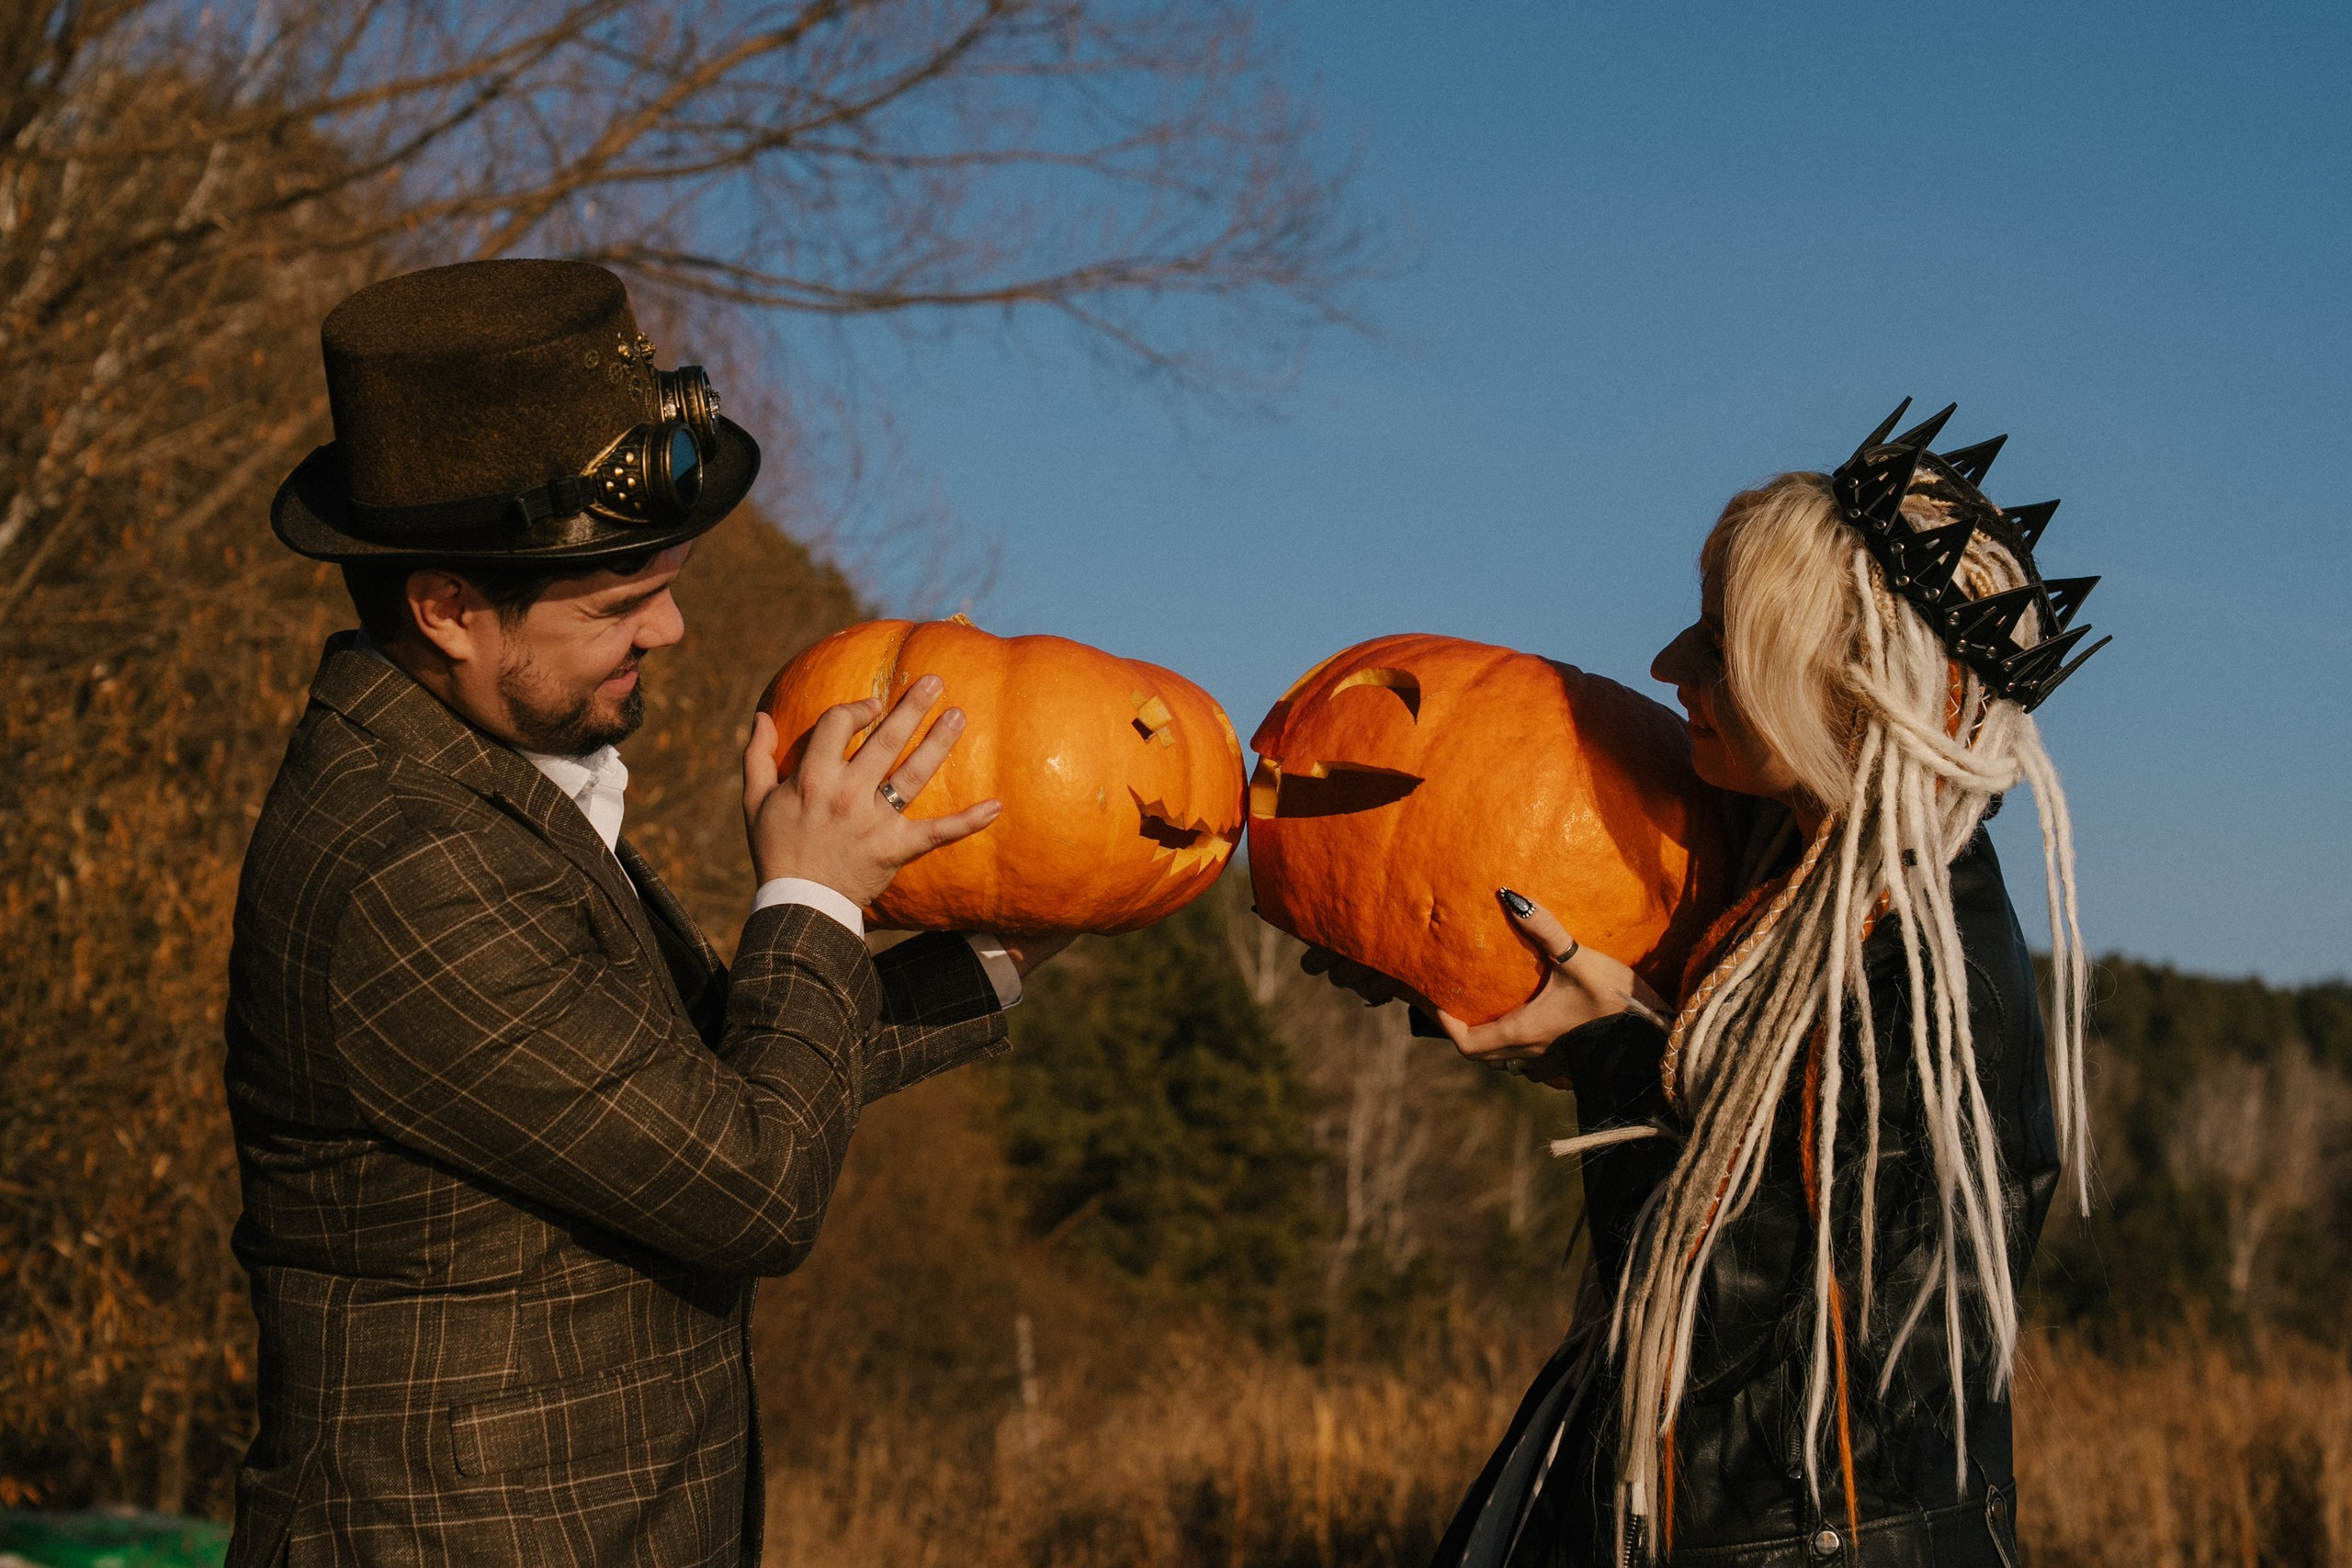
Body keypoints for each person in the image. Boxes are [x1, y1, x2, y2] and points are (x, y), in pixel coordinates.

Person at [224, 258, 1067, 1566]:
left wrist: (1010, 938)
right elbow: (750, 1182)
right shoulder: (401, 864)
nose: (670, 628)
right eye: (622, 601)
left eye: (667, 580)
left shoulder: (488, 780)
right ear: (448, 609)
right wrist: (812, 893)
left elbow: (706, 1083)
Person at [1318, 403, 2107, 1565]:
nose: (1667, 666)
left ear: (1847, 687)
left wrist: (1605, 1049)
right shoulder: (1812, 885)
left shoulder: (1915, 975)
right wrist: (1426, 944)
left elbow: (1728, 1326)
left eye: (1722, 644)